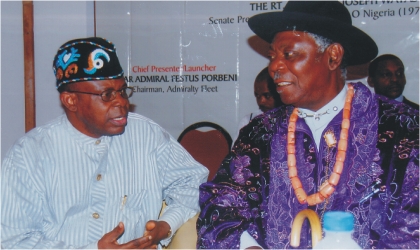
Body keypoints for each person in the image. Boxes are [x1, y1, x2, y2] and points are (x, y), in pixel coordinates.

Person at [197, 1, 418, 249]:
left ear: (333, 56)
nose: (274, 67)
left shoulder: (403, 128)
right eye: (272, 56)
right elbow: (221, 205)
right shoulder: (261, 132)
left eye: (289, 54)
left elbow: (413, 223)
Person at [1, 37, 208, 249]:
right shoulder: (28, 155)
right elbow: (12, 242)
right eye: (107, 94)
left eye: (122, 91)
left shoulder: (147, 135)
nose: (121, 102)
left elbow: (193, 183)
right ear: (71, 101)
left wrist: (166, 225)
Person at [234, 67, 283, 143]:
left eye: (267, 96)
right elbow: (236, 154)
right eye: (257, 96)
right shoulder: (247, 122)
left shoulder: (296, 121)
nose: (261, 102)